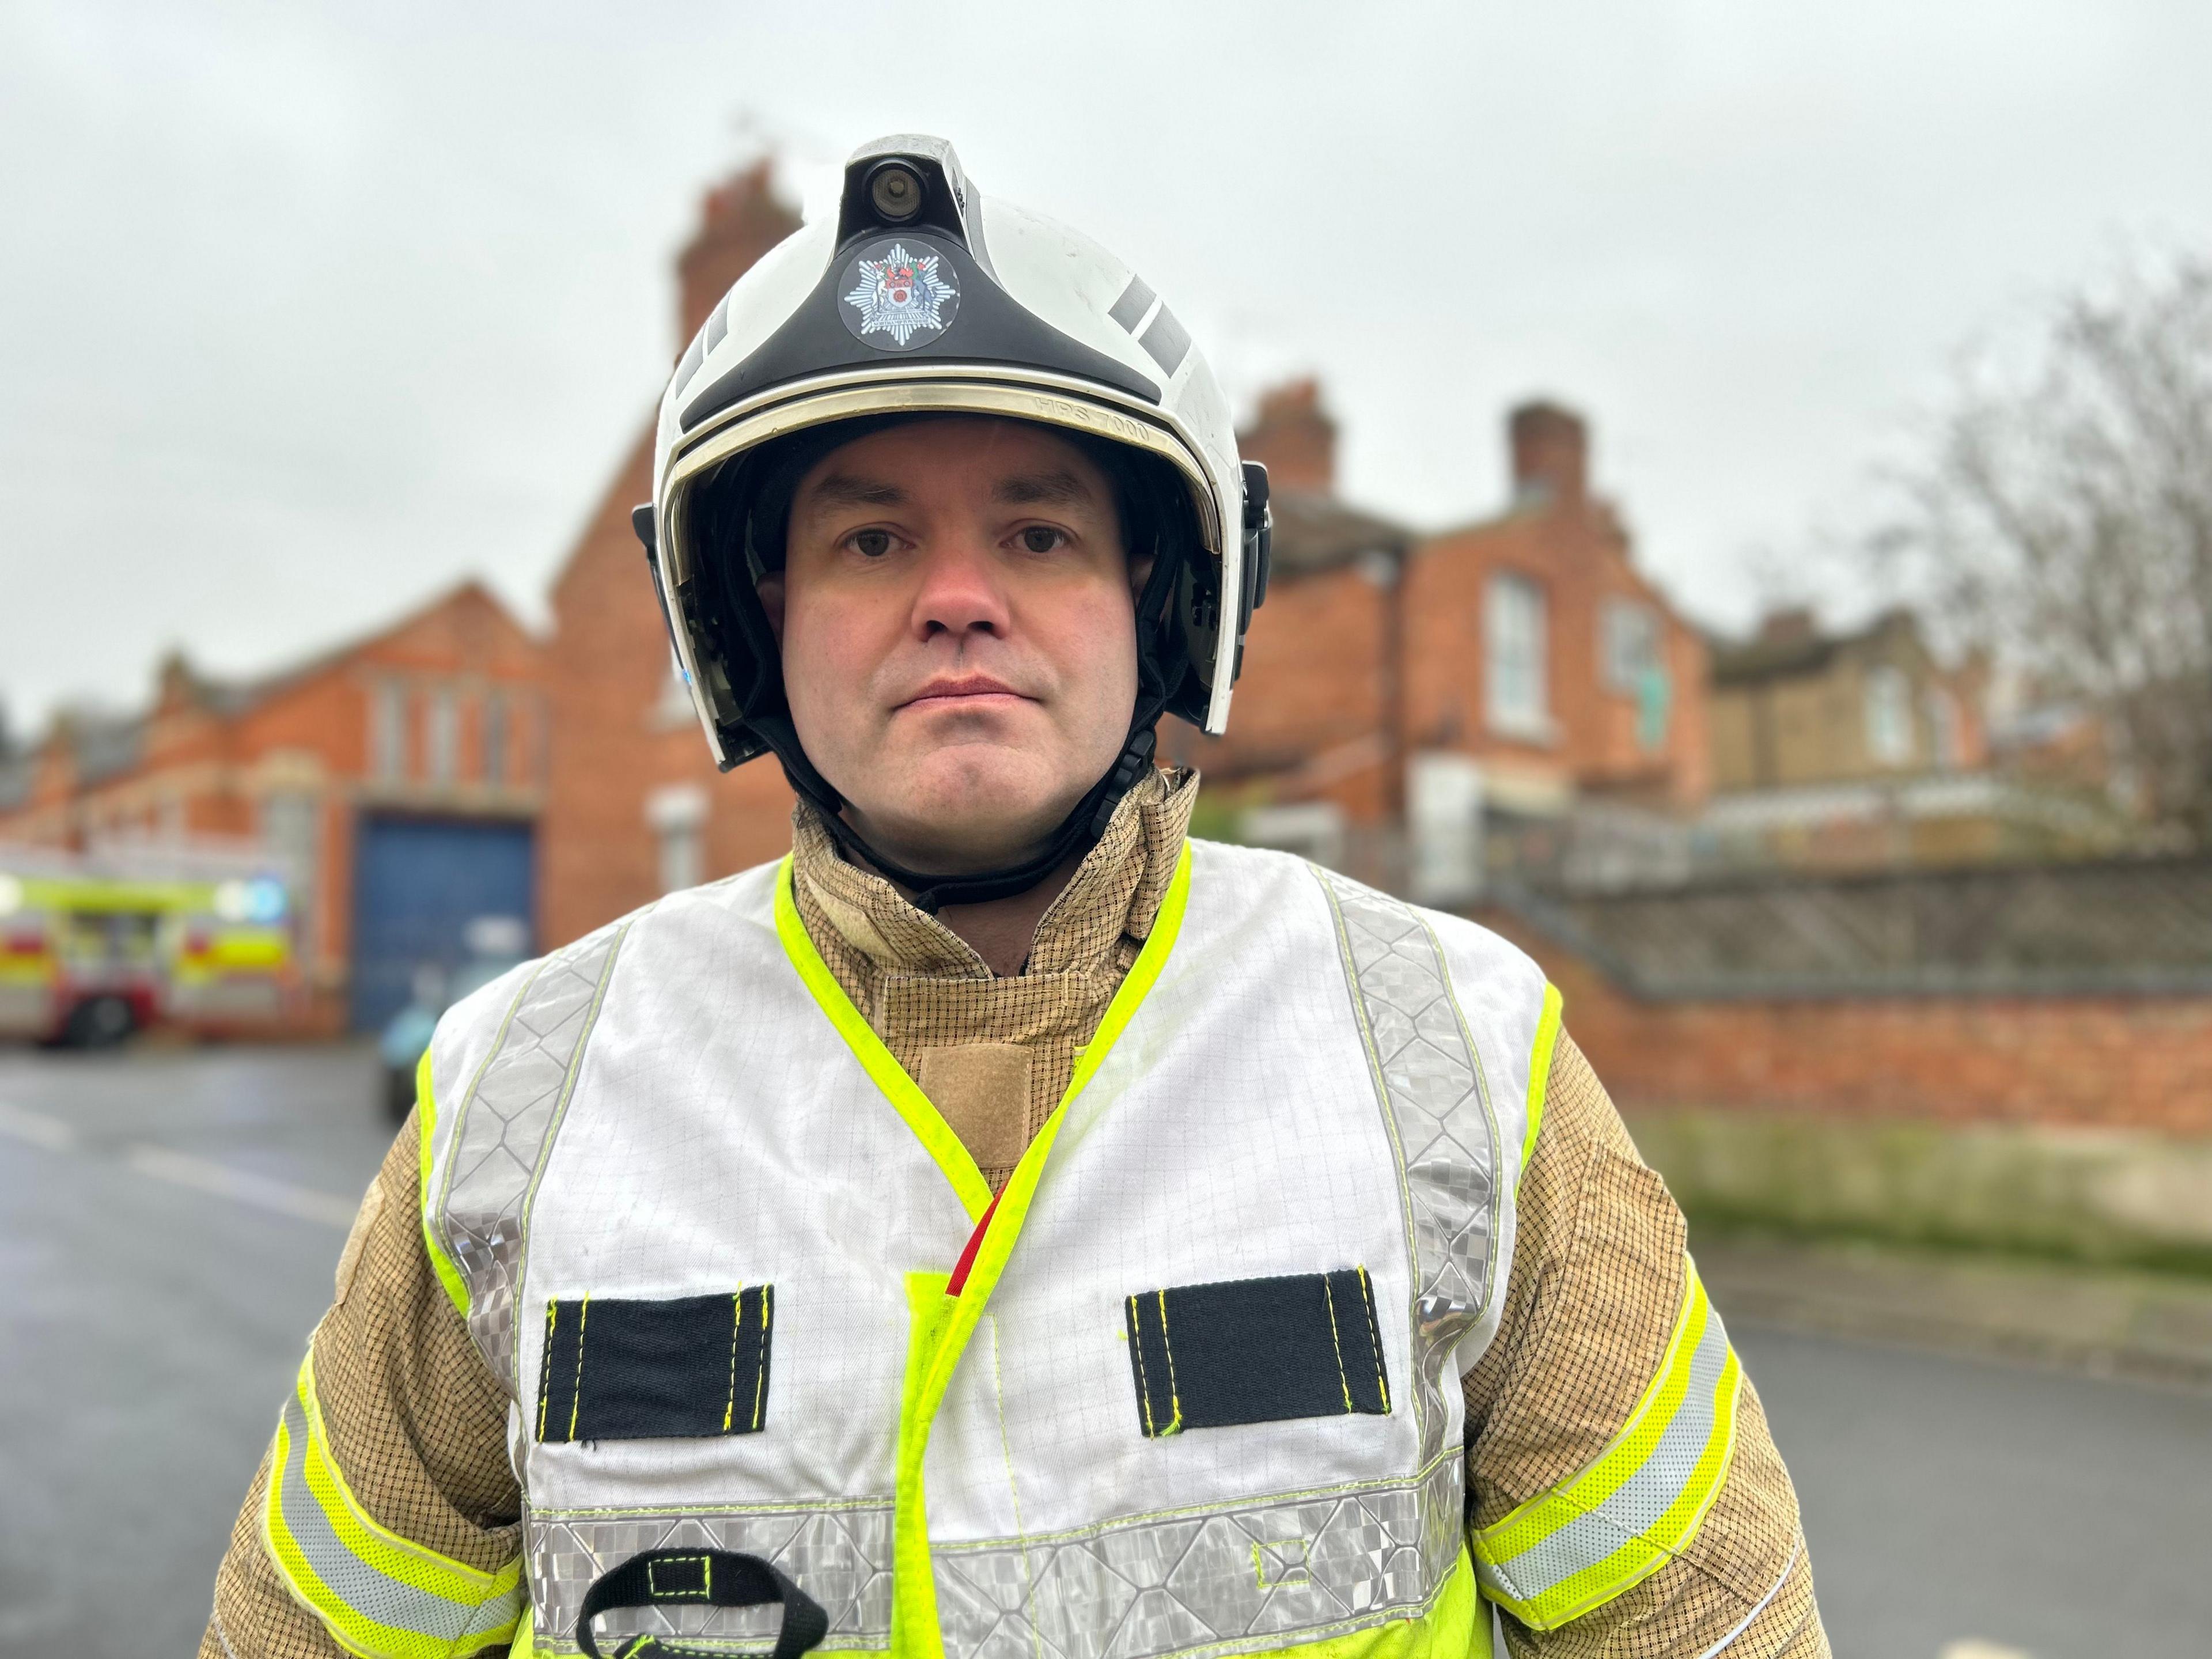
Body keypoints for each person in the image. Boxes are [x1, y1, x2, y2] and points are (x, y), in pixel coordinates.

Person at [206, 135, 1827, 1659]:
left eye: (1039, 533)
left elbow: (1711, 1621)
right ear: (749, 630)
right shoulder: (519, 1098)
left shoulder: (1459, 1054)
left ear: (1166, 608)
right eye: (870, 542)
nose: (958, 602)